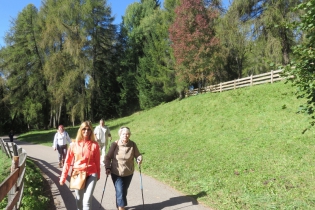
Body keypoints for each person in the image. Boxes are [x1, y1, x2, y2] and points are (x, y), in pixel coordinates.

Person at [59, 121, 100, 210]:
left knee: (87, 200)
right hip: (78, 174)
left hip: (92, 174)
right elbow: (67, 162)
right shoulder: (74, 144)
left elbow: (97, 162)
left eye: (89, 129)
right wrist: (63, 177)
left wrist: (98, 175)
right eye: (84, 129)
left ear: (91, 131)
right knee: (79, 199)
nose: (86, 131)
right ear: (80, 130)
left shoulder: (94, 145)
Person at [105, 126, 142, 210]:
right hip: (116, 172)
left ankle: (119, 205)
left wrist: (139, 159)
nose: (126, 135)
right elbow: (108, 157)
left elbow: (138, 155)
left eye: (128, 134)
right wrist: (107, 167)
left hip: (128, 173)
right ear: (120, 134)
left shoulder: (132, 144)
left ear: (130, 135)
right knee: (120, 191)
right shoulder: (115, 144)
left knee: (123, 191)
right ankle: (121, 207)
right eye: (123, 134)